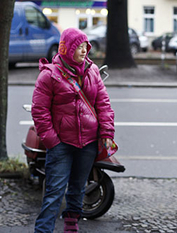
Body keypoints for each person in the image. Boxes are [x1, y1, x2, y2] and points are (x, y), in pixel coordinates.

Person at [32, 28, 115, 233]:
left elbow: (103, 104)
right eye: (79, 47)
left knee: (78, 188)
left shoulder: (92, 70)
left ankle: (71, 224)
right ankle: (43, 230)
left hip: (87, 142)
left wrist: (106, 133)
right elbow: (39, 110)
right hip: (61, 143)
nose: (84, 50)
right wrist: (52, 141)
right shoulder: (49, 75)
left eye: (86, 46)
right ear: (67, 49)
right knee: (54, 192)